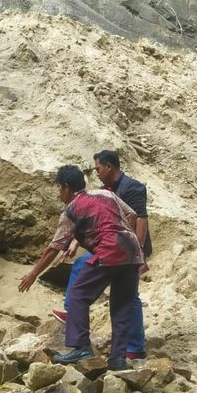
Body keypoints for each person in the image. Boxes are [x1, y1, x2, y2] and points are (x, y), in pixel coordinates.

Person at [18, 165, 144, 371]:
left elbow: (54, 248)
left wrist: (33, 273)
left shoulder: (71, 210)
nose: (59, 193)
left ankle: (81, 346)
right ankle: (118, 360)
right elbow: (131, 214)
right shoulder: (105, 194)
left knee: (77, 294)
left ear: (66, 187)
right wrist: (120, 233)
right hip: (133, 251)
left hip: (109, 251)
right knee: (121, 306)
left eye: (59, 188)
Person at [52, 150, 150, 360]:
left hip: (127, 250)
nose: (96, 173)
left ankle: (134, 346)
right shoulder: (105, 191)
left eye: (98, 169)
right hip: (116, 250)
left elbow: (139, 219)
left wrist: (136, 250)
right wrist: (76, 242)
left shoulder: (132, 187)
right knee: (81, 266)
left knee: (127, 298)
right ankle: (76, 316)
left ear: (109, 166)